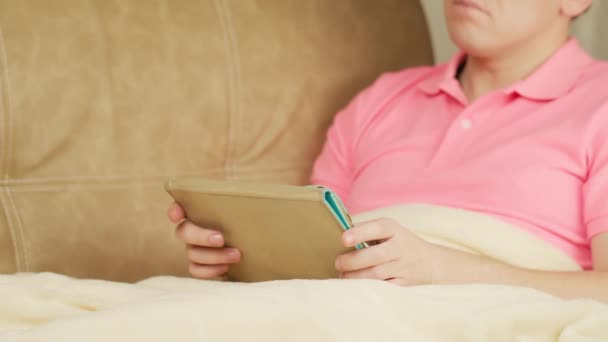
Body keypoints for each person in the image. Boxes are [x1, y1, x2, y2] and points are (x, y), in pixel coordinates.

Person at [168, 0, 608, 302]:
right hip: (338, 308)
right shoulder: (379, 100)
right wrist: (241, 257)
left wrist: (446, 269)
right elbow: (318, 258)